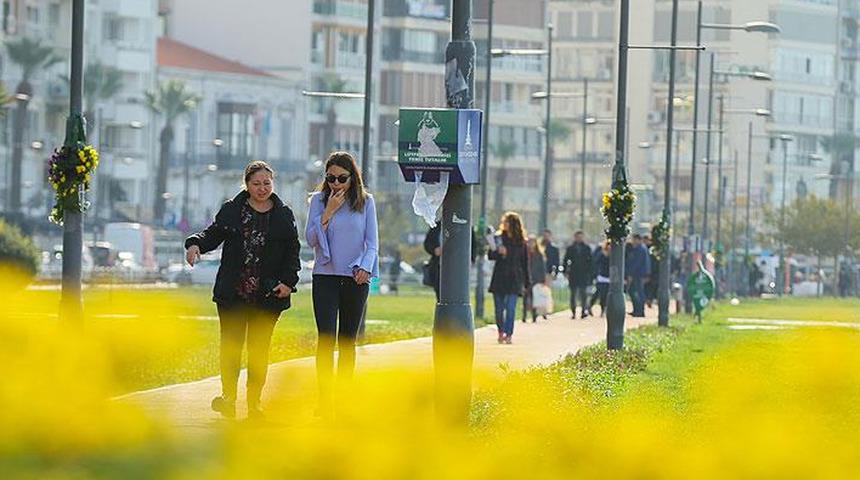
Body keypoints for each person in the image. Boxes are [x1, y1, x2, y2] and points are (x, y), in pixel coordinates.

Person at [184, 161, 301, 420]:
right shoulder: (233, 209)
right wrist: (194, 244)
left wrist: (288, 282)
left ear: (273, 183)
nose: (262, 188)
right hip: (233, 293)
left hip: (267, 296)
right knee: (231, 347)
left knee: (259, 350)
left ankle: (254, 404)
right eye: (256, 183)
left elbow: (293, 252)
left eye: (267, 183)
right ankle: (228, 398)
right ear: (246, 185)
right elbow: (212, 234)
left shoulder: (283, 214)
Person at [305, 151, 379, 418]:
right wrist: (328, 212)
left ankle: (345, 402)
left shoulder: (366, 202)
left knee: (347, 342)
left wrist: (365, 267)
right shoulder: (318, 201)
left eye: (342, 178)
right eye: (331, 178)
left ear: (353, 177)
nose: (336, 183)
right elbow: (311, 239)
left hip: (354, 279)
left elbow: (372, 243)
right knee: (326, 340)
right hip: (325, 277)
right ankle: (324, 401)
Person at [488, 211, 530, 344]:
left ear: (513, 224)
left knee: (511, 308)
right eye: (504, 221)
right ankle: (501, 331)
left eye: (507, 221)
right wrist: (498, 252)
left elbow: (525, 263)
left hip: (514, 279)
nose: (504, 224)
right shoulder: (499, 238)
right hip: (499, 278)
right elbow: (490, 255)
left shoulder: (521, 242)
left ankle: (509, 334)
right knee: (499, 309)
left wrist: (527, 283)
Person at [563, 231, 593, 319]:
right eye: (578, 237)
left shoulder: (587, 248)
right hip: (573, 274)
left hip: (584, 274)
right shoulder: (570, 248)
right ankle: (573, 312)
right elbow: (565, 260)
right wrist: (565, 271)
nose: (579, 239)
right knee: (573, 294)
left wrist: (590, 273)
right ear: (575, 237)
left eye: (581, 237)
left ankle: (583, 311)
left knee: (583, 294)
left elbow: (591, 261)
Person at [625, 234, 652, 317]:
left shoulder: (640, 249)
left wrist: (630, 274)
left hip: (638, 274)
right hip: (638, 273)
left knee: (638, 292)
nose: (632, 241)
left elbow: (636, 262)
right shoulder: (641, 248)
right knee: (634, 291)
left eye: (634, 240)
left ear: (638, 240)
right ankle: (637, 310)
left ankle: (640, 310)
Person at [523, 235, 547, 322]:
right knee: (526, 297)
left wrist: (543, 279)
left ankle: (534, 315)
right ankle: (524, 315)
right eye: (529, 242)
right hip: (526, 278)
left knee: (534, 297)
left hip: (536, 279)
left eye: (532, 242)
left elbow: (542, 267)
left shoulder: (539, 254)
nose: (531, 244)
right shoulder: (524, 253)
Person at [589, 241, 611, 317]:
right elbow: (595, 263)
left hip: (609, 278)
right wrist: (595, 274)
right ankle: (590, 305)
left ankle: (603, 310)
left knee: (605, 295)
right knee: (599, 294)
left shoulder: (613, 255)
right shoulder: (601, 254)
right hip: (601, 277)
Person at [423, 223, 442, 301]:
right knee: (439, 290)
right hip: (438, 265)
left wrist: (471, 260)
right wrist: (434, 250)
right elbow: (427, 243)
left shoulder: (464, 224)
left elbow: (473, 245)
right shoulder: (436, 227)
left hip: (458, 267)